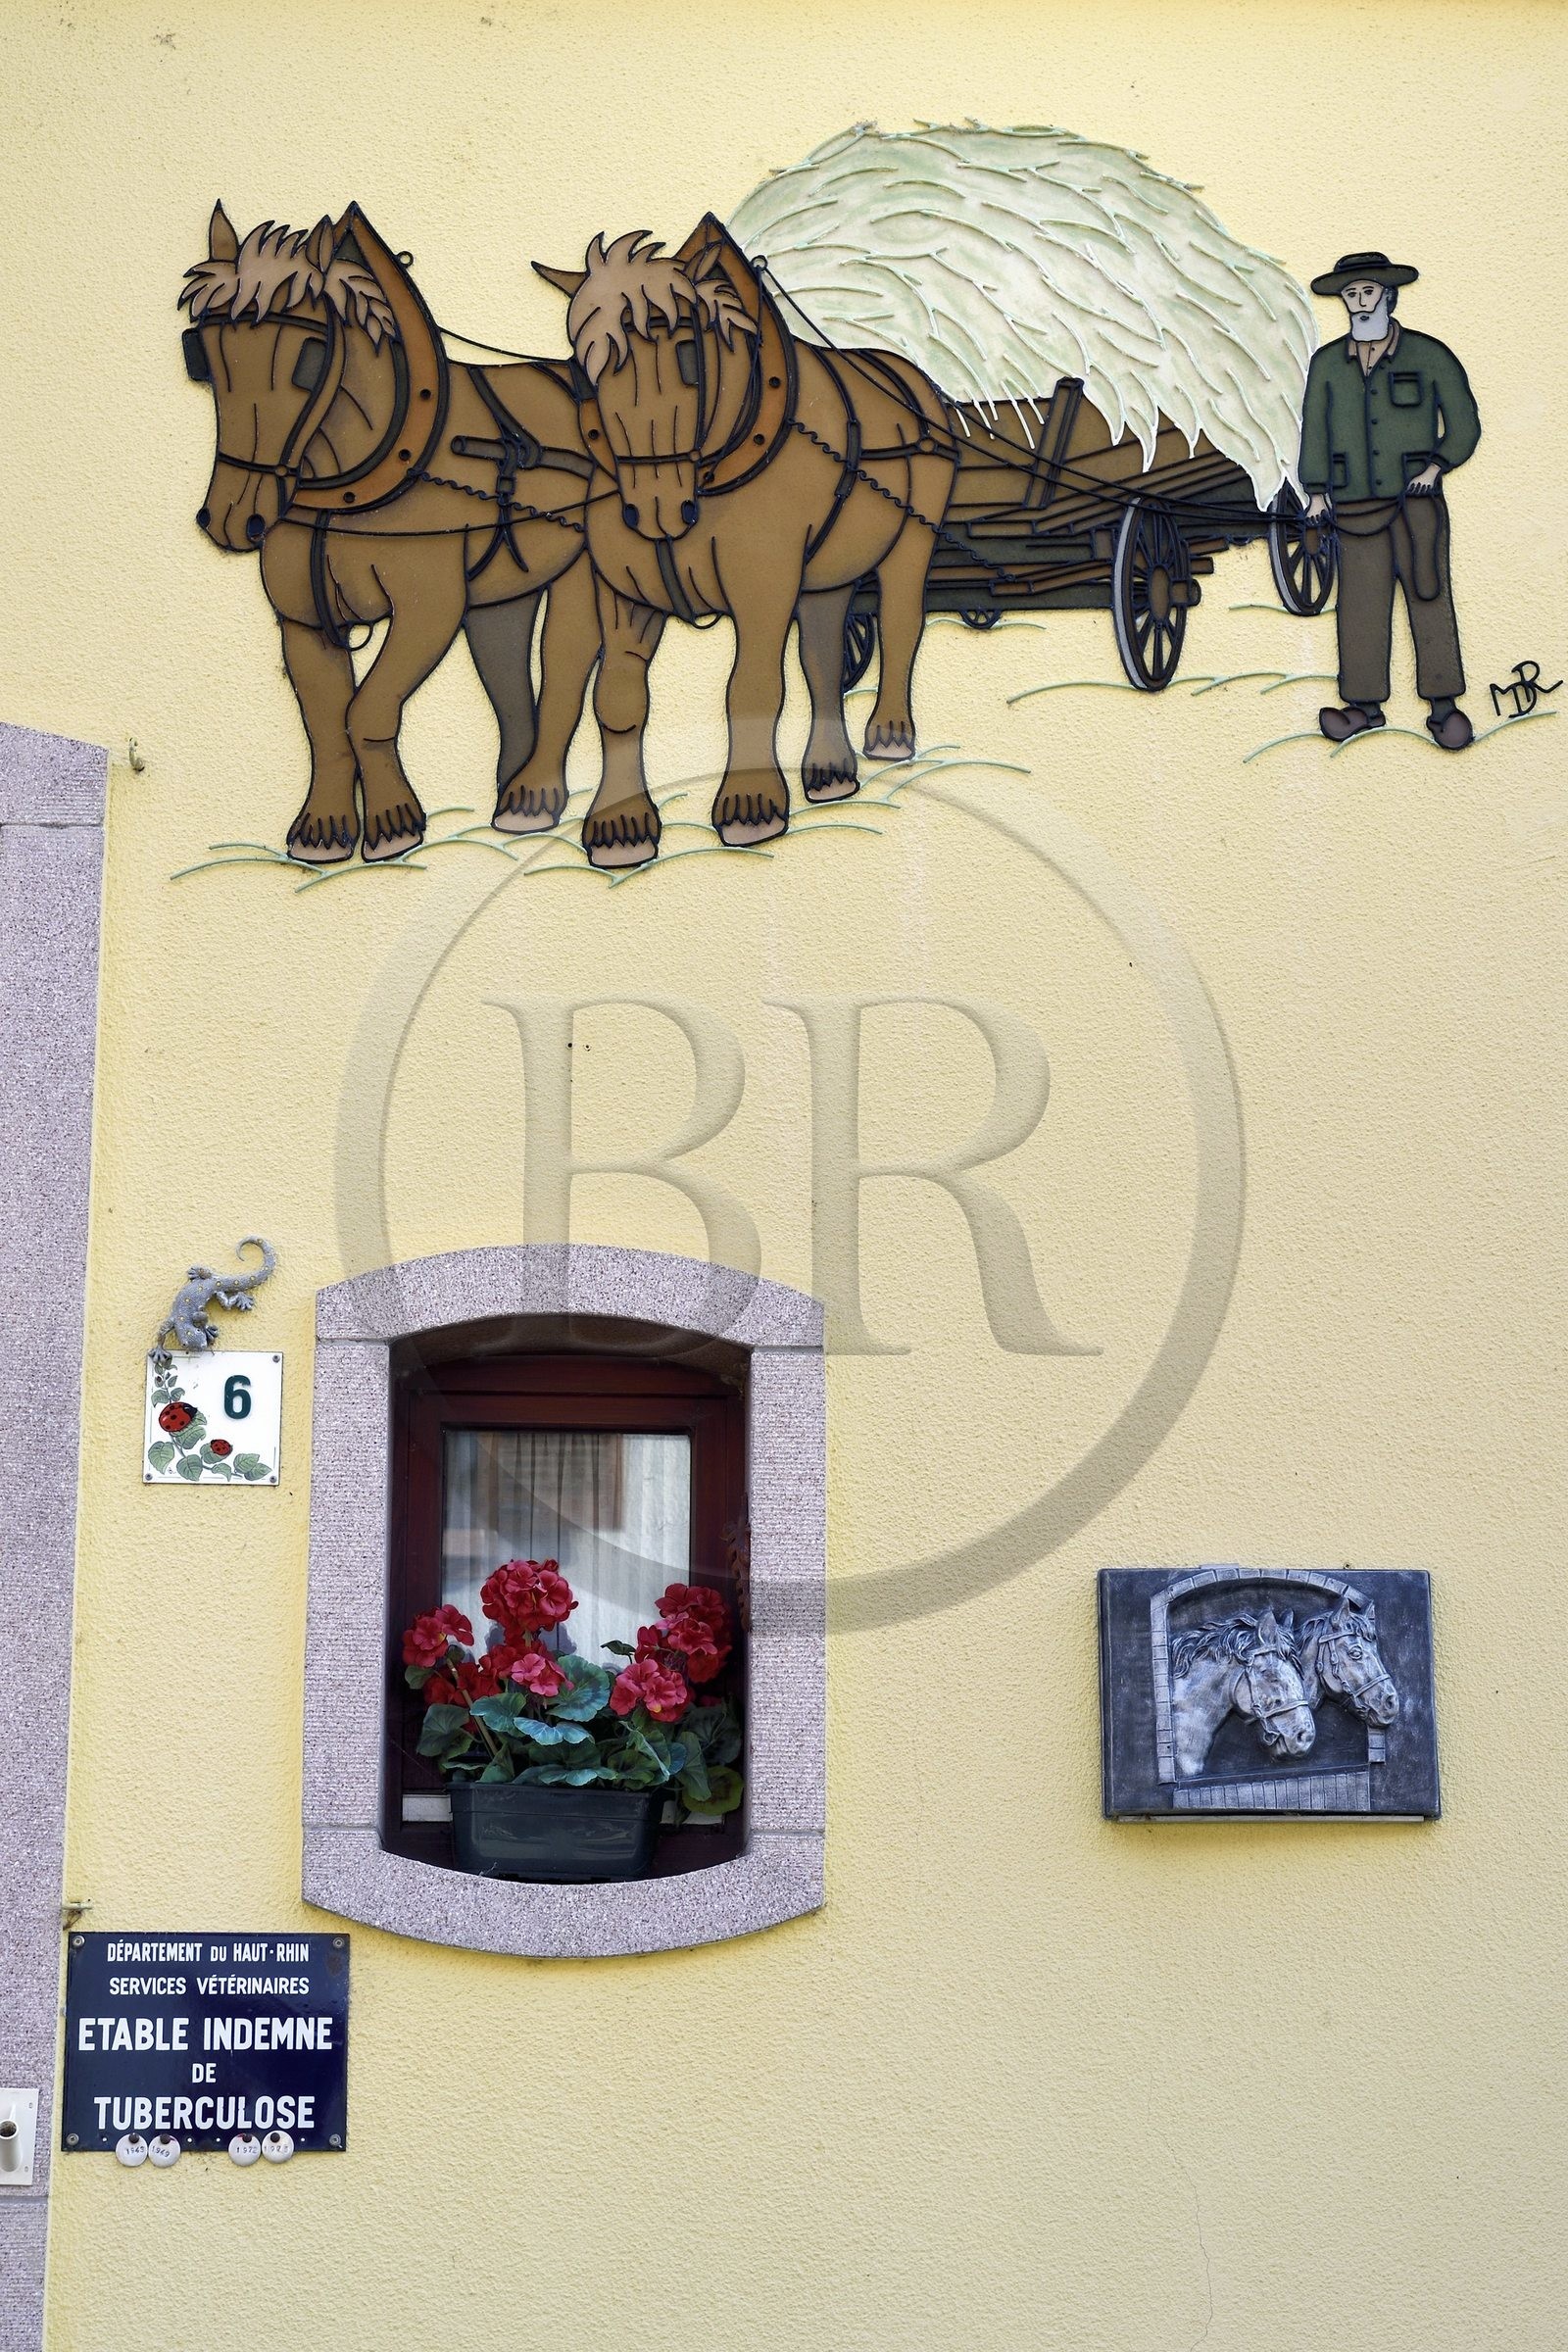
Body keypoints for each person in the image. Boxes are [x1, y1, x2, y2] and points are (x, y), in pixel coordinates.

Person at [1298, 250, 1480, 750]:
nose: (1358, 302)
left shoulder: (1428, 355)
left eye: (1367, 292)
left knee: (1429, 593)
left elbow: (1463, 422)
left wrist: (1436, 467)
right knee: (1359, 604)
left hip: (1415, 501)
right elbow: (1314, 430)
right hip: (1353, 506)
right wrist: (1315, 492)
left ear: (1388, 295)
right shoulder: (1328, 364)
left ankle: (1444, 708)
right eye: (1351, 294)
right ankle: (1362, 707)